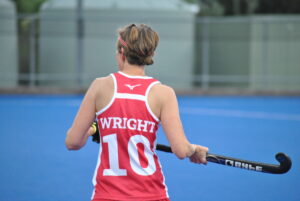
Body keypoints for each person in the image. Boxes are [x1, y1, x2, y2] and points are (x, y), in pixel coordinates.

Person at [65, 23, 208, 201]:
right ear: (151, 54)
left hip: (107, 195)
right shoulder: (163, 93)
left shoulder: (100, 86)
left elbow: (73, 142)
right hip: (151, 195)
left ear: (122, 53)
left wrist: (92, 129)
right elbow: (181, 150)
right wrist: (193, 149)